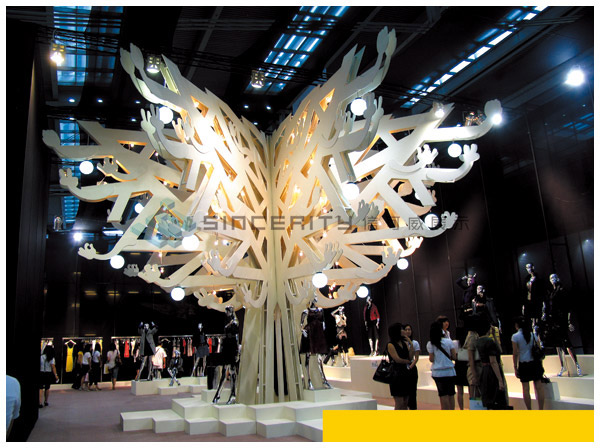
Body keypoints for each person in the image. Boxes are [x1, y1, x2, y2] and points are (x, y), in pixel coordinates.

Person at [540, 273, 582, 376]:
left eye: (554, 277)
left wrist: (569, 321)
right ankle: (563, 366)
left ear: (558, 278)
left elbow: (568, 307)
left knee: (566, 343)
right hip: (554, 321)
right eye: (551, 278)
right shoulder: (552, 293)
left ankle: (577, 365)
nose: (553, 279)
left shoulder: (562, 290)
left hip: (561, 320)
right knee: (558, 345)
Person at [512, 316, 545, 410]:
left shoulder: (515, 337)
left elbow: (515, 353)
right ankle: (541, 409)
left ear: (517, 325)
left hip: (524, 364)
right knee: (539, 387)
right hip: (535, 363)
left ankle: (529, 410)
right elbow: (539, 347)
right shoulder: (532, 334)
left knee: (526, 389)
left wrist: (515, 366)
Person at [299, 296, 331, 390]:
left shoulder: (320, 310)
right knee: (308, 357)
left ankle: (324, 380)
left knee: (319, 358)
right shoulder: (306, 311)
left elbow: (323, 323)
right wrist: (303, 331)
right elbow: (301, 324)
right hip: (310, 333)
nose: (315, 298)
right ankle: (308, 381)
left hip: (318, 334)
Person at [475, 323, 509, 409]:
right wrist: (500, 380)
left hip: (485, 370)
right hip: (492, 371)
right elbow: (493, 361)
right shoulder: (489, 341)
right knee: (498, 397)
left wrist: (494, 336)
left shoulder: (478, 341)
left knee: (489, 397)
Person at [213, 305, 241, 404]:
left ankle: (231, 394)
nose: (226, 313)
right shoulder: (229, 322)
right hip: (227, 347)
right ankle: (219, 395)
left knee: (232, 371)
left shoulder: (234, 322)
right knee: (225, 371)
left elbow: (236, 337)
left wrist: (237, 352)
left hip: (232, 347)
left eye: (227, 311)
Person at [427, 320, 457, 410]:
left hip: (438, 373)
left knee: (443, 395)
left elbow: (431, 359)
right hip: (449, 371)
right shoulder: (449, 342)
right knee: (451, 394)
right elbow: (454, 356)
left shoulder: (430, 344)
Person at [386, 323, 414, 410]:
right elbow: (397, 359)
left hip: (405, 373)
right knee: (399, 402)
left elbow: (410, 357)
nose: (404, 331)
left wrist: (410, 343)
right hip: (396, 375)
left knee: (406, 401)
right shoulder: (390, 345)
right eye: (402, 329)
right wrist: (407, 361)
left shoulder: (405, 343)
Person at [403, 323, 420, 410]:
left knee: (413, 392)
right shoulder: (401, 343)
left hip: (411, 368)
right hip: (403, 369)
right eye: (406, 329)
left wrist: (410, 367)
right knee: (404, 393)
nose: (407, 331)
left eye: (409, 329)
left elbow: (416, 358)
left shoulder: (415, 343)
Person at [454, 326, 469, 410]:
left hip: (458, 366)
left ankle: (461, 409)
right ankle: (472, 407)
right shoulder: (468, 342)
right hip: (467, 365)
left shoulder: (455, 343)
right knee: (471, 389)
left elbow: (453, 355)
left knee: (459, 391)